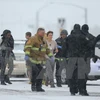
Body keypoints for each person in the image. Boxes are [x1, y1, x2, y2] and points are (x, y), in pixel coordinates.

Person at [24, 28, 53, 92]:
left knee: (40, 74)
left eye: (44, 32)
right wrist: (27, 55)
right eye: (42, 32)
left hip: (41, 60)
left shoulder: (44, 40)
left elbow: (47, 49)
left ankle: (39, 87)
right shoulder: (33, 39)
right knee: (35, 73)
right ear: (38, 32)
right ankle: (33, 86)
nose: (43, 34)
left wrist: (50, 56)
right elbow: (28, 47)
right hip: (33, 59)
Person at [66, 24, 90, 96]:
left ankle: (72, 90)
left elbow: (65, 47)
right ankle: (82, 90)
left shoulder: (69, 37)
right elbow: (87, 47)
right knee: (81, 75)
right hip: (81, 58)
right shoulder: (83, 37)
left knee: (72, 74)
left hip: (71, 58)